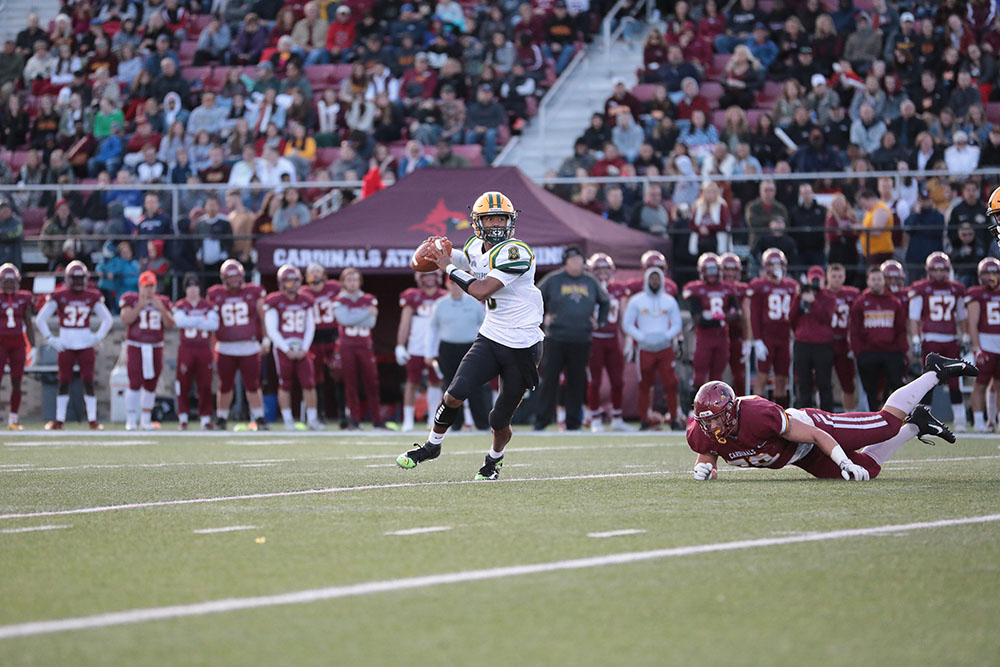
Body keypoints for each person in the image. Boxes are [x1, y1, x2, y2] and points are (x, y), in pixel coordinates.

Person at [397, 191, 544, 480]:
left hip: (523, 345)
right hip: (491, 336)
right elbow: (470, 261)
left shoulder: (517, 252)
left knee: (498, 419)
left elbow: (479, 289)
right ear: (478, 223)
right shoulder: (475, 246)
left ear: (511, 220)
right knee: (454, 393)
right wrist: (441, 251)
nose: (496, 224)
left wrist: (446, 266)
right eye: (490, 219)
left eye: (501, 218)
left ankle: (493, 460)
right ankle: (431, 446)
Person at [687, 354, 977, 481]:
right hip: (800, 457)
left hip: (815, 428)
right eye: (705, 421)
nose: (711, 426)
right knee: (869, 471)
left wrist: (843, 460)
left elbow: (814, 436)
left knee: (887, 424)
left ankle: (934, 371)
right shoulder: (704, 431)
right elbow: (708, 453)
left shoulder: (759, 414)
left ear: (731, 411)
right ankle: (916, 424)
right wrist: (706, 470)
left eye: (715, 419)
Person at [534, 246, 609, 431]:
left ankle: (573, 423)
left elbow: (605, 302)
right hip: (556, 337)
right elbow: (534, 297)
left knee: (577, 382)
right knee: (550, 380)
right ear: (565, 262)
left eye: (580, 260)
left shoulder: (590, 281)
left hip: (582, 338)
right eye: (573, 260)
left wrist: (600, 321)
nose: (577, 263)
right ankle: (542, 421)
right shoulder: (553, 279)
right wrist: (542, 319)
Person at [34, 261, 114, 429]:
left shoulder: (91, 296)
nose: (78, 282)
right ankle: (59, 420)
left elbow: (108, 319)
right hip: (66, 343)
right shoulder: (60, 295)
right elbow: (40, 318)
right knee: (63, 381)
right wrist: (50, 338)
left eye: (80, 278)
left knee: (89, 381)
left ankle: (92, 420)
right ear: (68, 279)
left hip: (85, 343)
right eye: (75, 278)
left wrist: (98, 336)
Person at [206, 259, 268, 431]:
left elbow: (263, 317)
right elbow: (210, 320)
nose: (234, 280)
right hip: (225, 345)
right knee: (224, 385)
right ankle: (221, 418)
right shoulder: (214, 293)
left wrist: (266, 339)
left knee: (253, 385)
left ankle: (260, 417)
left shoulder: (254, 291)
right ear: (224, 278)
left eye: (236, 276)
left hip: (249, 345)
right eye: (230, 277)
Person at [908, 252, 968, 430]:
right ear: (929, 270)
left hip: (951, 338)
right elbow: (914, 318)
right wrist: (916, 339)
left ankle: (960, 419)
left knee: (955, 380)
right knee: (929, 380)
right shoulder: (921, 288)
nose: (940, 273)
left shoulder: (956, 288)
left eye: (943, 269)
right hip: (931, 339)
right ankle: (923, 418)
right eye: (936, 269)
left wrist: (964, 337)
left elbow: (962, 316)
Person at [622, 258, 683, 429]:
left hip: (664, 348)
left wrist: (667, 336)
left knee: (671, 383)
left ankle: (674, 419)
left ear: (662, 279)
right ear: (647, 280)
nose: (655, 282)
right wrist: (641, 337)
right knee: (644, 384)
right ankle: (644, 419)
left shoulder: (669, 301)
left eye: (657, 279)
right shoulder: (637, 300)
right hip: (645, 348)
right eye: (652, 279)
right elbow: (627, 323)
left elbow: (677, 323)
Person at [425, 277, 490, 432]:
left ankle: (482, 424)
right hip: (447, 348)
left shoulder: (474, 303)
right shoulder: (440, 304)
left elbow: (485, 324)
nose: (455, 287)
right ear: (447, 284)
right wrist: (429, 352)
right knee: (450, 386)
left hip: (470, 347)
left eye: (458, 283)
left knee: (476, 385)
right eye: (452, 283)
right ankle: (454, 424)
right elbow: (432, 329)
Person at [264, 264, 323, 431]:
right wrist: (286, 348)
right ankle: (288, 420)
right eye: (289, 281)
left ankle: (312, 419)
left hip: (302, 347)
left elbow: (310, 327)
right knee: (285, 384)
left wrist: (304, 348)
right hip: (284, 348)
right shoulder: (274, 301)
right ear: (282, 282)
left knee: (309, 384)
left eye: (295, 281)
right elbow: (272, 329)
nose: (293, 285)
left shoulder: (306, 300)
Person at [118, 271, 175, 431]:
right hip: (136, 345)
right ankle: (130, 419)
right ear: (140, 286)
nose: (149, 290)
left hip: (156, 346)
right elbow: (126, 319)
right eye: (146, 286)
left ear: (156, 286)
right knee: (134, 382)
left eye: (151, 286)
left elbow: (171, 324)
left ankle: (145, 420)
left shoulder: (162, 301)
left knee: (151, 383)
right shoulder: (131, 298)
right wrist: (140, 306)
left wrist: (162, 310)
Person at [395, 271, 447, 432]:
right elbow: (405, 322)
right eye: (425, 275)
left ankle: (433, 418)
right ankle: (408, 420)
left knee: (435, 382)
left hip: (437, 346)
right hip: (416, 346)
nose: (429, 278)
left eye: (432, 275)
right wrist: (400, 345)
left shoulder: (444, 296)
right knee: (412, 382)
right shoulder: (412, 296)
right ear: (419, 278)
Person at [585, 253, 632, 432]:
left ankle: (617, 418)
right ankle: (595, 418)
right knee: (594, 382)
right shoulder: (587, 287)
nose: (603, 273)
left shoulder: (618, 289)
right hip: (594, 340)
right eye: (599, 269)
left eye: (606, 269)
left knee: (618, 381)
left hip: (613, 340)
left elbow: (623, 315)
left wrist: (627, 338)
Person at [850, 266, 907, 411]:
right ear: (868, 282)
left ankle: (898, 418)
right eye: (873, 279)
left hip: (891, 351)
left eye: (879, 279)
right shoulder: (860, 303)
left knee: (896, 386)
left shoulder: (894, 302)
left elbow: (900, 328)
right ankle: (873, 419)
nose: (876, 282)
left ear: (884, 281)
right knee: (871, 389)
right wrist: (859, 353)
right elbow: (854, 330)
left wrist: (901, 351)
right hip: (869, 352)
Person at [334, 267, 384, 429]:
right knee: (350, 383)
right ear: (343, 282)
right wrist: (365, 312)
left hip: (364, 344)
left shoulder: (369, 298)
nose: (352, 283)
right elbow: (345, 320)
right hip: (347, 345)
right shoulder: (339, 300)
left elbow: (371, 323)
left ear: (360, 281)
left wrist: (355, 316)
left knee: (372, 382)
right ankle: (354, 420)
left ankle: (377, 420)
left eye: (355, 279)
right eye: (349, 280)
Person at [749, 248, 797, 408]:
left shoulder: (791, 286)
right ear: (766, 266)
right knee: (762, 376)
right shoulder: (759, 286)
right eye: (772, 264)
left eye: (779, 264)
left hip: (784, 337)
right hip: (767, 337)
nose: (776, 268)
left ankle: (781, 415)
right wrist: (757, 340)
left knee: (782, 378)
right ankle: (755, 413)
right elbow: (754, 314)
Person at [684, 253, 740, 388]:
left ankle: (715, 408)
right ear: (701, 271)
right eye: (708, 270)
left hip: (722, 337)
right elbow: (698, 320)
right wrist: (722, 318)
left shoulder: (728, 289)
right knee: (700, 375)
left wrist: (711, 316)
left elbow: (737, 315)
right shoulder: (696, 289)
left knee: (717, 377)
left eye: (714, 270)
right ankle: (696, 407)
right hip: (704, 337)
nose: (711, 274)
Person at [172, 273, 219, 430]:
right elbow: (179, 321)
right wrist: (200, 320)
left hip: (204, 348)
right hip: (186, 348)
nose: (193, 290)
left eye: (195, 286)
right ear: (185, 289)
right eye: (189, 287)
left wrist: (191, 320)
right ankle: (183, 416)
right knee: (183, 383)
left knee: (205, 384)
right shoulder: (180, 305)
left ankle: (205, 418)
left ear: (200, 288)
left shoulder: (208, 306)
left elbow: (214, 325)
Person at [789, 266, 836, 411]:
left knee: (824, 383)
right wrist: (799, 297)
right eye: (813, 279)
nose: (815, 282)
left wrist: (813, 302)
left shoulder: (828, 297)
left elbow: (826, 318)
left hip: (822, 345)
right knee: (804, 384)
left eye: (818, 279)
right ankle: (804, 416)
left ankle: (828, 416)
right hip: (803, 343)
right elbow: (791, 318)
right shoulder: (800, 296)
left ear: (823, 280)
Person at [300, 263, 341, 425]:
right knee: (315, 378)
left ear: (324, 274)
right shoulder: (303, 292)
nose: (314, 275)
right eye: (311, 272)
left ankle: (343, 415)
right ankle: (319, 413)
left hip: (332, 335)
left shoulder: (334, 287)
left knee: (339, 374)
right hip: (313, 338)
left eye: (317, 271)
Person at [966, 258, 1000, 432]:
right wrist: (977, 347)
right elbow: (972, 323)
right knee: (981, 384)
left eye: (994, 273)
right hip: (986, 343)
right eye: (987, 273)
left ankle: (993, 421)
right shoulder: (976, 293)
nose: (991, 277)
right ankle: (979, 421)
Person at [0, 264, 34, 429]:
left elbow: (29, 321)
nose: (8, 285)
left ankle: (13, 419)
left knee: (17, 381)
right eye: (5, 281)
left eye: (11, 281)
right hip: (0, 343)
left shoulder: (24, 297)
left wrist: (33, 347)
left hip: (18, 343)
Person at [826, 263, 861, 412]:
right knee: (822, 382)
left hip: (844, 341)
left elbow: (858, 318)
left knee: (848, 383)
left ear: (844, 277)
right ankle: (822, 414)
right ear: (828, 277)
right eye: (833, 276)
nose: (836, 279)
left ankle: (850, 416)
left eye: (839, 276)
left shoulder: (852, 294)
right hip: (825, 342)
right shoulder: (822, 293)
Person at [720, 252, 751, 394]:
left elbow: (746, 315)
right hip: (717, 335)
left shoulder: (743, 288)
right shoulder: (713, 287)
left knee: (739, 376)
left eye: (733, 270)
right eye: (727, 269)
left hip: (736, 336)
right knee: (715, 375)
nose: (731, 273)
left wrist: (747, 339)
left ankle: (740, 408)